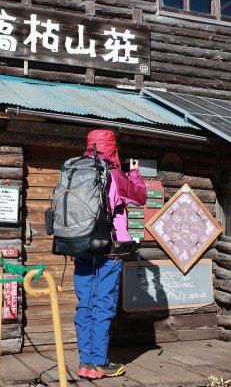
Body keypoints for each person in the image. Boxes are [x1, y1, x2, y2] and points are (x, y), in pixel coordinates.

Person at [74, 129, 147, 380]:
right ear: (112, 148)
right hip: (110, 249)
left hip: (81, 246)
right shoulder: (114, 174)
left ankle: (85, 362)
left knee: (85, 304)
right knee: (103, 304)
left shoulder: (74, 170)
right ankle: (99, 363)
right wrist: (134, 173)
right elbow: (140, 197)